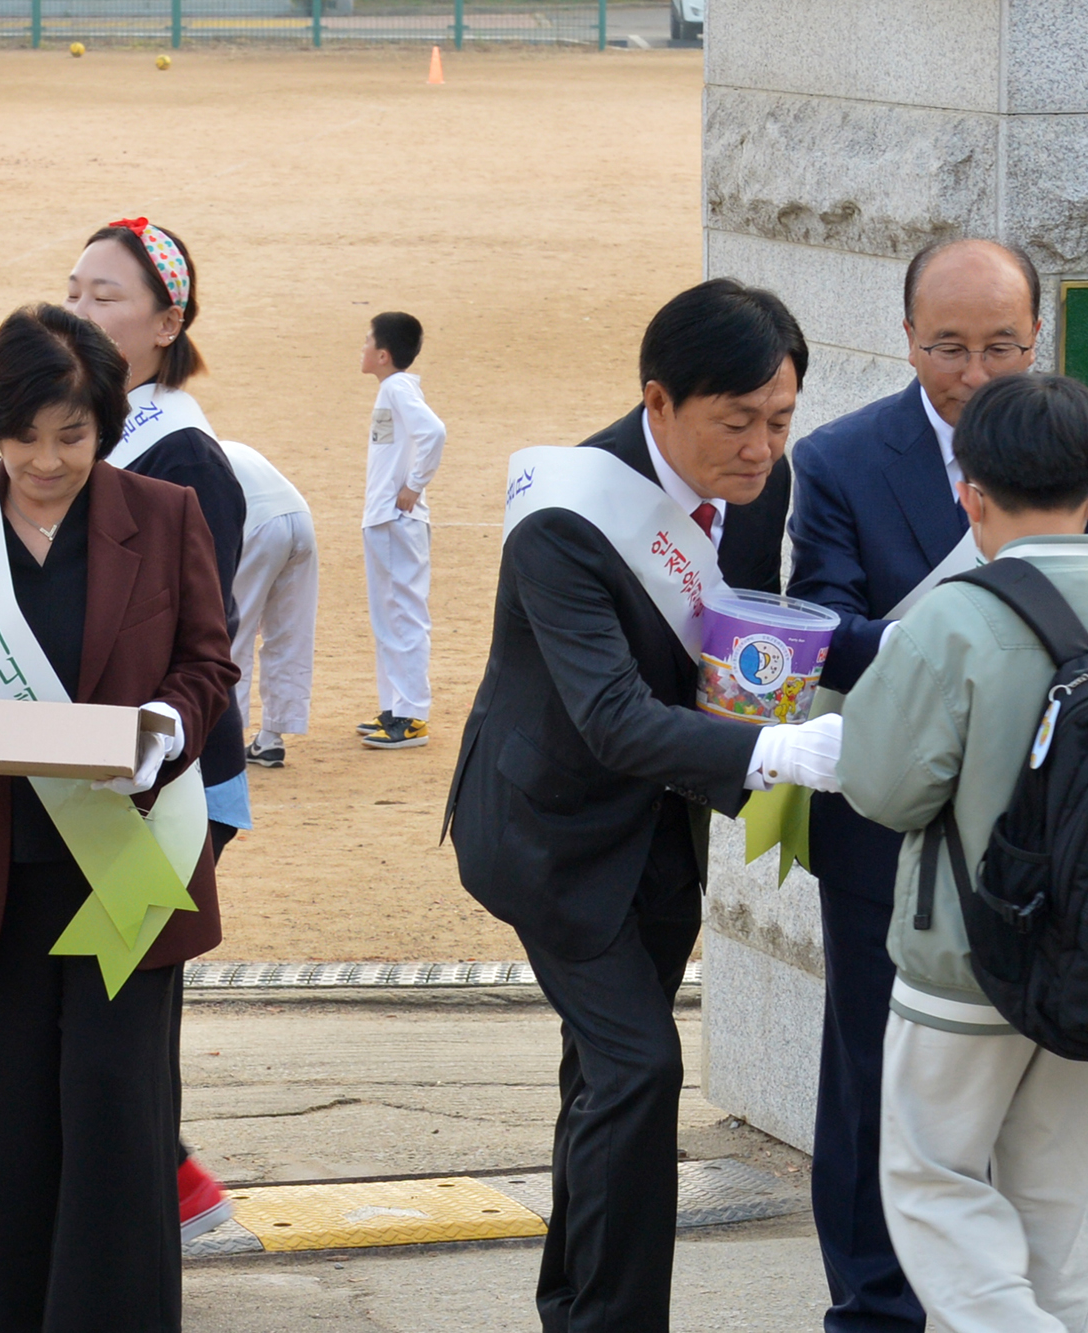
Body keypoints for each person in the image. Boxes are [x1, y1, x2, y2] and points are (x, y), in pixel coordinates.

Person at [444, 279, 843, 1333]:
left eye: (779, 420)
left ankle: (571, 1304)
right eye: (736, 422)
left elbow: (726, 645)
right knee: (640, 1067)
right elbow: (614, 718)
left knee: (601, 1079)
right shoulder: (563, 518)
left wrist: (768, 713)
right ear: (659, 401)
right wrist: (782, 751)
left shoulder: (764, 479)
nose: (760, 449)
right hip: (549, 830)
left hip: (663, 827)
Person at [785, 235, 1088, 1332]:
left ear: (1035, 336)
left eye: (1001, 343)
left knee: (1014, 1148)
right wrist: (942, 655)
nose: (975, 369)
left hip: (1064, 843)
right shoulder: (846, 457)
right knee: (870, 1087)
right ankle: (873, 1307)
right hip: (894, 855)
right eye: (948, 346)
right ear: (905, 339)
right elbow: (824, 624)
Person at [0, 304, 236, 1332]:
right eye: (23, 435)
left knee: (119, 1118)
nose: (45, 459)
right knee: (9, 1133)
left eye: (71, 434)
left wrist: (166, 727)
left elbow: (208, 662)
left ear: (102, 423)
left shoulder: (162, 514)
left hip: (126, 864)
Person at [66, 216, 249, 1239]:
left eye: (105, 295)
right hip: (81, 773)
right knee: (95, 1000)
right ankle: (162, 1193)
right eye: (73, 290)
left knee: (111, 1002)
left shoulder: (183, 454)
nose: (77, 310)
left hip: (166, 785)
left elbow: (198, 644)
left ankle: (163, 1203)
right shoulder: (78, 430)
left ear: (167, 321)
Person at [358, 311, 447, 751]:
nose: (361, 349)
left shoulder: (395, 388)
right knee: (388, 617)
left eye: (366, 342)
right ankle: (396, 706)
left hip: (395, 518)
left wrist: (414, 485)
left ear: (383, 354)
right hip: (385, 518)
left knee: (403, 615)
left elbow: (434, 432)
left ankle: (412, 715)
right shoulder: (394, 389)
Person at [222, 439, 317, 768]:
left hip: (259, 525)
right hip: (300, 518)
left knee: (232, 632)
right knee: (290, 631)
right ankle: (272, 738)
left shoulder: (183, 461)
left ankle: (227, 737)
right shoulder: (229, 447)